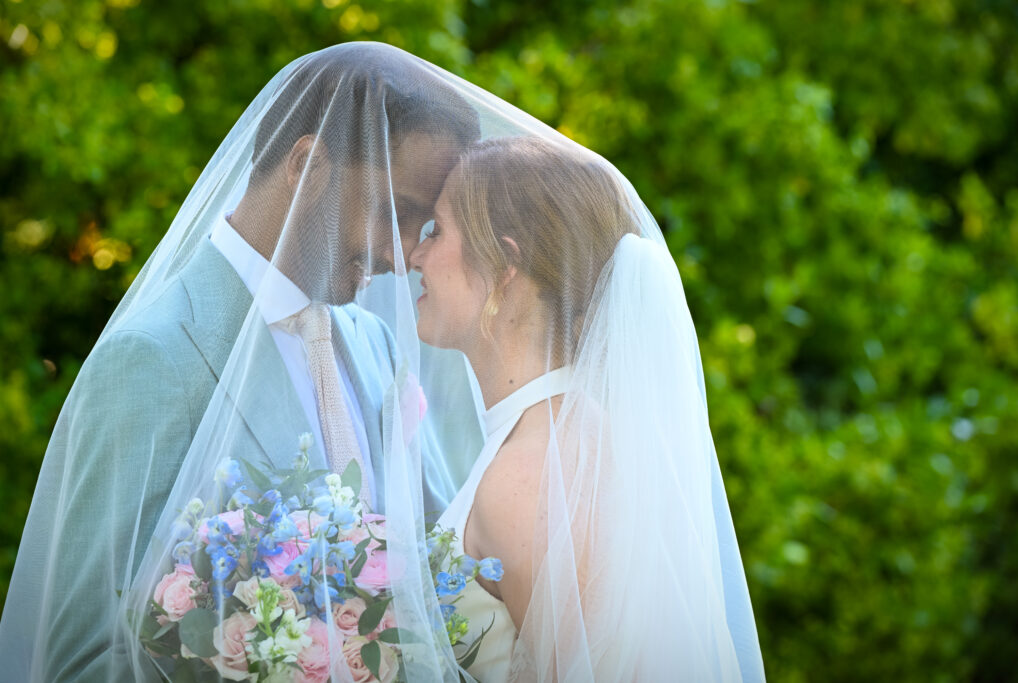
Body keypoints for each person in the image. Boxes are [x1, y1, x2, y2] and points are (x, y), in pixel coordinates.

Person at [0, 43, 482, 681]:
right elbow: (76, 658)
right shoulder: (151, 362)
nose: (402, 253)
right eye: (399, 211)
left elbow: (436, 582)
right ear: (308, 167)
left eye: (421, 225)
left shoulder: (374, 345)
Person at [411, 136, 767, 681]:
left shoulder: (532, 471)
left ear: (504, 265)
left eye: (436, 231)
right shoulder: (561, 436)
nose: (415, 254)